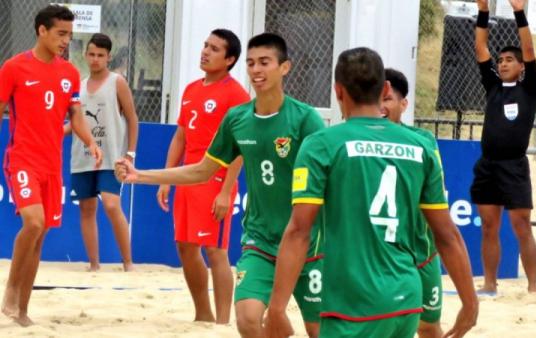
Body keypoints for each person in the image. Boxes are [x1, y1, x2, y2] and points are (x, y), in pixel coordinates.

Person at [114, 33, 325, 338]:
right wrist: (141, 175)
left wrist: (226, 191)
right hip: (261, 240)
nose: (256, 70)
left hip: (307, 242)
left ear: (285, 68)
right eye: (251, 63)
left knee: (319, 329)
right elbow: (202, 170)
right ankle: (209, 315)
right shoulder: (238, 118)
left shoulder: (305, 119)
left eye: (265, 62)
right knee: (249, 318)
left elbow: (330, 179)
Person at [264, 47, 478, 338]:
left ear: (338, 91)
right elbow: (447, 235)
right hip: (405, 298)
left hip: (352, 304)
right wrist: (470, 303)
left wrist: (277, 308)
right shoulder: (421, 147)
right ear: (385, 88)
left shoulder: (320, 145)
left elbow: (299, 232)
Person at [0, 5, 102, 326]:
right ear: (41, 31)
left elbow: (75, 115)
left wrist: (90, 141)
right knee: (32, 223)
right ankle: (10, 294)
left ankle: (23, 311)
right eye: (61, 34)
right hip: (22, 159)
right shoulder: (14, 68)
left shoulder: (69, 73)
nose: (66, 40)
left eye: (70, 35)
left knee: (40, 235)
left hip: (51, 164)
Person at [155, 29, 249, 324]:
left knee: (216, 250)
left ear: (230, 59)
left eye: (214, 48)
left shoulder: (236, 94)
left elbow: (241, 148)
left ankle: (222, 323)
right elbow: (180, 137)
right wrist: (167, 178)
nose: (205, 51)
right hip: (188, 176)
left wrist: (226, 191)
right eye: (205, 45)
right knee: (184, 245)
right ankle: (203, 313)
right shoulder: (192, 89)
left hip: (216, 179)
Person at [474, 0, 536, 293]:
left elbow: (528, 49)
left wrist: (518, 11)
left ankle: (532, 287)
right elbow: (480, 47)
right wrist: (483, 9)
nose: (502, 64)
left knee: (521, 226)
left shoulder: (530, 86)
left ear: (521, 66)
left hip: (514, 165)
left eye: (508, 60)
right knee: (489, 226)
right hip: (488, 164)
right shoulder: (493, 86)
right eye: (500, 60)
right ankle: (490, 284)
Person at [65, 33, 138, 272]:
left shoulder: (117, 82)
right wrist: (55, 132)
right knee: (86, 208)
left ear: (108, 57)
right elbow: (75, 122)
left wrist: (130, 153)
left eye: (101, 55)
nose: (95, 59)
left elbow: (132, 117)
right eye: (92, 54)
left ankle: (128, 263)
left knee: (111, 205)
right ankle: (94, 265)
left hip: (112, 157)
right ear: (85, 55)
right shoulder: (79, 86)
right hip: (82, 157)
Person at [382, 68, 444, 338]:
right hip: (379, 254)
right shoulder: (355, 139)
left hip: (422, 249)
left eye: (387, 99)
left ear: (403, 104)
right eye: (376, 99)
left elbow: (435, 197)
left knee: (429, 326)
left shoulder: (424, 141)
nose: (381, 107)